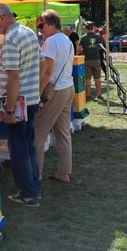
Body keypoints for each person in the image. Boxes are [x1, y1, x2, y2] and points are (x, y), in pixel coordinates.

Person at [0, 3, 45, 207]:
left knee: (19, 150)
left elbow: (13, 79)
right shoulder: (29, 33)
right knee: (29, 147)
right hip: (30, 100)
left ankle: (27, 194)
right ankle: (34, 189)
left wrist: (10, 110)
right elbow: (43, 64)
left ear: (2, 18)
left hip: (18, 104)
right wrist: (35, 90)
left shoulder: (10, 39)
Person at [34, 10, 75, 183]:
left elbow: (47, 71)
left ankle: (35, 176)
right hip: (68, 87)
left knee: (38, 133)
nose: (39, 29)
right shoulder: (67, 40)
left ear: (51, 24)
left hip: (55, 90)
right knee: (63, 133)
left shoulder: (51, 42)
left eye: (41, 26)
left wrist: (37, 93)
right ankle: (64, 173)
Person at [78, 21, 104, 100]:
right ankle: (99, 94)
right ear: (93, 27)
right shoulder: (98, 36)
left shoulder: (83, 37)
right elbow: (100, 46)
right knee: (98, 78)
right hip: (96, 59)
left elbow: (79, 49)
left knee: (87, 79)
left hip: (87, 60)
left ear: (85, 28)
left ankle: (88, 95)